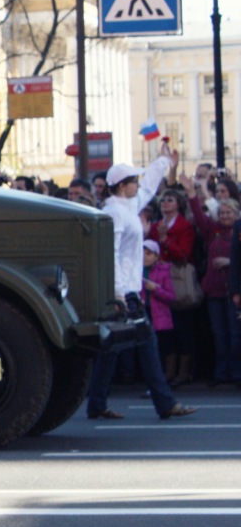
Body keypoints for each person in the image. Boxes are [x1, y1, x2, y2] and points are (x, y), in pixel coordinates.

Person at [85, 145, 195, 420]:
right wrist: (120, 292)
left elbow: (147, 189)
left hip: (126, 289)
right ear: (122, 186)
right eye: (133, 180)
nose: (137, 184)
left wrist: (163, 162)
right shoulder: (115, 212)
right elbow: (110, 255)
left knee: (111, 348)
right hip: (124, 291)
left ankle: (97, 404)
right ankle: (164, 402)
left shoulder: (124, 205)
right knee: (147, 344)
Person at [187, 178, 241, 385]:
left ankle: (236, 372)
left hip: (234, 291)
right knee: (219, 335)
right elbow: (200, 218)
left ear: (237, 215)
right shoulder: (213, 232)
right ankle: (221, 373)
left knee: (235, 334)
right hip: (215, 292)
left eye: (229, 213)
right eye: (222, 213)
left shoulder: (238, 232)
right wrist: (193, 194)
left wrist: (230, 261)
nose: (225, 216)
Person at [154, 187, 197, 385]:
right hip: (159, 281)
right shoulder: (156, 225)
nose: (165, 203)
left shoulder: (185, 226)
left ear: (178, 204)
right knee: (165, 330)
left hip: (178, 280)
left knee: (182, 327)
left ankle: (183, 371)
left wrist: (165, 241)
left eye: (170, 200)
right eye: (163, 200)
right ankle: (168, 372)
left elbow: (184, 255)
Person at [141, 240, 176, 370]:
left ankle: (168, 374)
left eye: (149, 253)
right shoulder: (136, 271)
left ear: (156, 256)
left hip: (160, 315)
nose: (144, 256)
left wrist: (155, 289)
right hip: (144, 312)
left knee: (164, 347)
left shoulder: (164, 271)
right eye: (142, 253)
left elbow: (171, 296)